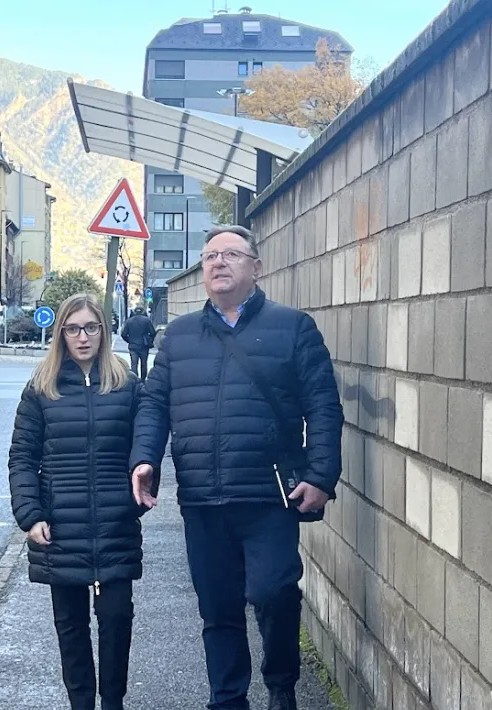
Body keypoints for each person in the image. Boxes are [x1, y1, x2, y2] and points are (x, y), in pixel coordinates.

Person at [129, 225, 344, 710]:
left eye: (229, 254)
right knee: (218, 609)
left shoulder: (293, 327)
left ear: (256, 266)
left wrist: (321, 475)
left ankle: (281, 684)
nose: (217, 263)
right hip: (202, 498)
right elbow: (153, 406)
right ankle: (227, 700)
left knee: (274, 592)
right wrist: (144, 460)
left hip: (270, 497)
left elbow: (324, 407)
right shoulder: (179, 335)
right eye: (209, 256)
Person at [8, 293, 147, 710]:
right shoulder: (41, 389)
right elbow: (22, 457)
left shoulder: (126, 386)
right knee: (70, 627)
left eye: (90, 327)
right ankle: (81, 704)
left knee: (117, 619)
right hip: (61, 528)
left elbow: (145, 448)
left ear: (103, 332)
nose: (82, 337)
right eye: (73, 328)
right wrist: (30, 516)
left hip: (115, 523)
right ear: (61, 334)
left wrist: (137, 494)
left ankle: (113, 703)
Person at [120, 306, 155, 381]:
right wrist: (149, 340)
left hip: (133, 346)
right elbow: (153, 332)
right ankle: (143, 380)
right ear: (143, 311)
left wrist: (129, 340)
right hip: (144, 345)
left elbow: (123, 334)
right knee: (144, 363)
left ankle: (135, 380)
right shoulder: (146, 320)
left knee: (134, 364)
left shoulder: (129, 321)